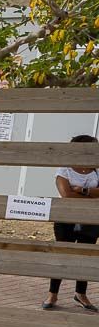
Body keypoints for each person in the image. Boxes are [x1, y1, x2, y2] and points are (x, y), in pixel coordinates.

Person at [44, 133, 99, 311]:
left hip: (91, 220)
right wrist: (91, 192)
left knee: (84, 256)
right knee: (62, 255)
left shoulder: (97, 168)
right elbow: (66, 195)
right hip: (65, 218)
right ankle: (52, 294)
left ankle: (80, 294)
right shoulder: (64, 169)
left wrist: (80, 189)